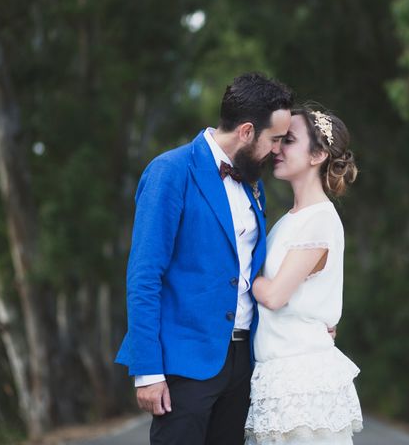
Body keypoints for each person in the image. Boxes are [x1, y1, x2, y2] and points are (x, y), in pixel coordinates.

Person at [114, 72, 293, 445]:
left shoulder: (252, 183)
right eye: (274, 139)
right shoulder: (170, 171)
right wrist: (147, 371)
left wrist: (310, 322)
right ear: (247, 131)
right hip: (185, 363)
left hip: (243, 362)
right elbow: (145, 275)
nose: (277, 150)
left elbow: (254, 272)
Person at [245, 107, 363, 444]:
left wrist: (235, 272)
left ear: (318, 155)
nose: (277, 149)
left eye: (290, 141)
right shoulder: (289, 220)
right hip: (280, 374)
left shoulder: (320, 219)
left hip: (303, 384)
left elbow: (274, 295)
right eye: (278, 140)